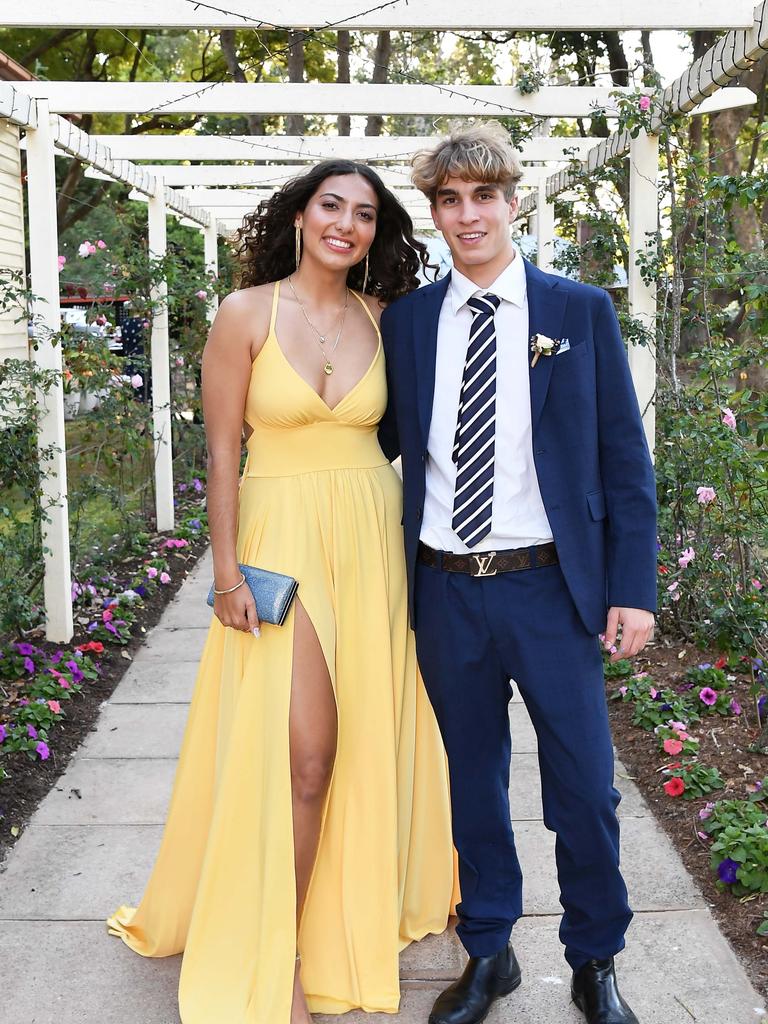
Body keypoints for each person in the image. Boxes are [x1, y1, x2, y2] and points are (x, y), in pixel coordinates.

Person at [107, 160, 456, 1024]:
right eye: (331, 205)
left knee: (365, 737)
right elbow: (222, 454)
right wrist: (225, 575)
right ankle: (282, 952)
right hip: (280, 548)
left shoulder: (385, 320)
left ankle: (345, 908)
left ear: (378, 232)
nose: (346, 223)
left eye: (365, 213)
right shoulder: (244, 314)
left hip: (370, 544)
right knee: (306, 757)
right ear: (300, 216)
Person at [378, 122, 657, 1024]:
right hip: (448, 589)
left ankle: (596, 957)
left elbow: (624, 459)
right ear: (434, 214)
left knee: (584, 784)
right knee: (472, 782)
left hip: (551, 589)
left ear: (512, 200)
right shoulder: (411, 324)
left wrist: (633, 588)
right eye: (449, 200)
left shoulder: (578, 311)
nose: (468, 215)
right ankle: (489, 951)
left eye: (483, 196)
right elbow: (374, 443)